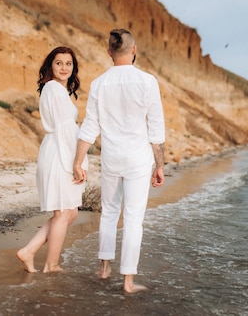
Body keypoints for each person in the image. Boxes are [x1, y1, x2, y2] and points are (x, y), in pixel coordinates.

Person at [72, 28, 165, 293]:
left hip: (112, 158)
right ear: (134, 50)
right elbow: (156, 129)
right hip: (138, 159)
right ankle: (128, 282)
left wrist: (78, 161)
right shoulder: (148, 82)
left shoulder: (100, 83)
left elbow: (90, 126)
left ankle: (104, 268)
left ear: (109, 51)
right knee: (134, 218)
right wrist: (160, 165)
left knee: (109, 213)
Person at [17, 46, 87, 273]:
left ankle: (29, 251)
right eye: (59, 63)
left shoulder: (55, 90)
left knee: (70, 212)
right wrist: (77, 163)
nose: (64, 67)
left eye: (68, 63)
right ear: (51, 65)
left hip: (58, 149)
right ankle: (51, 264)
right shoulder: (54, 89)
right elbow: (66, 130)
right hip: (60, 152)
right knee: (63, 212)